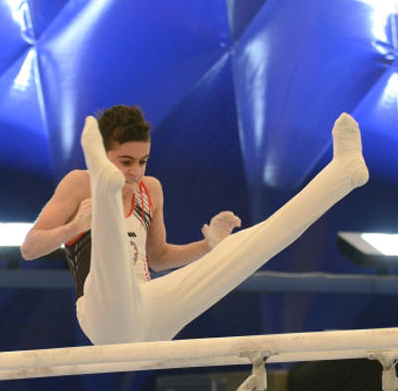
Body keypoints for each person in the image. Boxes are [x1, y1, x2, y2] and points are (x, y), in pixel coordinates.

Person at [20, 105, 367, 345]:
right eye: (125, 162)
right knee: (109, 249)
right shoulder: (76, 184)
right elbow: (30, 247)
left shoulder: (150, 190)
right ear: (106, 154)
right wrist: (75, 226)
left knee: (245, 247)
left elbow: (157, 258)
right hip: (103, 315)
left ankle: (341, 174)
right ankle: (102, 184)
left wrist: (209, 246)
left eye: (142, 161)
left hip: (152, 309)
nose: (136, 172)